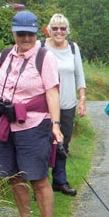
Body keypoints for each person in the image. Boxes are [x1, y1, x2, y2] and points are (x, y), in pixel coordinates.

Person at [0, 10, 63, 217]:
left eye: (29, 33)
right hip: (3, 125)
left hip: (32, 125)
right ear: (14, 33)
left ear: (36, 33)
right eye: (20, 33)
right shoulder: (4, 55)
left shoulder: (44, 57)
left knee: (38, 178)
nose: (25, 38)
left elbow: (52, 92)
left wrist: (56, 125)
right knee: (14, 176)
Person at [42, 13, 87, 196]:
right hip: (44, 106)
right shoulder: (41, 47)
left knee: (62, 144)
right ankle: (41, 185)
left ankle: (60, 181)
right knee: (44, 144)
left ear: (67, 31)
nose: (58, 31)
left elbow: (79, 75)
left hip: (67, 105)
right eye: (55, 28)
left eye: (62, 28)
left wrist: (82, 99)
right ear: (49, 30)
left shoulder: (73, 48)